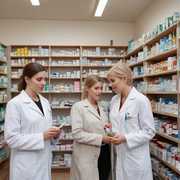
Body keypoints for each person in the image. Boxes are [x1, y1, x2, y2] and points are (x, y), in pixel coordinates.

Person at [4, 63, 60, 180]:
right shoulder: (15, 104)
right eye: (39, 79)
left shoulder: (45, 102)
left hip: (44, 161)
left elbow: (44, 129)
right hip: (26, 165)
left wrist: (54, 135)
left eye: (45, 79)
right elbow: (11, 139)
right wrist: (41, 137)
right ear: (27, 79)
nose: (43, 83)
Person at [107, 62, 155, 180]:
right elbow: (117, 124)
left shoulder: (140, 100)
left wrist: (125, 138)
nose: (110, 85)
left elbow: (149, 131)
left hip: (135, 158)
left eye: (113, 81)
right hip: (119, 154)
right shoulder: (114, 100)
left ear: (124, 78)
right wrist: (109, 128)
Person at [70, 75, 111, 180]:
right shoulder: (78, 107)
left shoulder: (101, 108)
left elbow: (100, 127)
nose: (100, 91)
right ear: (87, 89)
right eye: (96, 88)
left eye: (101, 88)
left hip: (104, 153)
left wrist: (108, 128)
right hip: (87, 155)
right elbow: (77, 134)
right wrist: (101, 138)